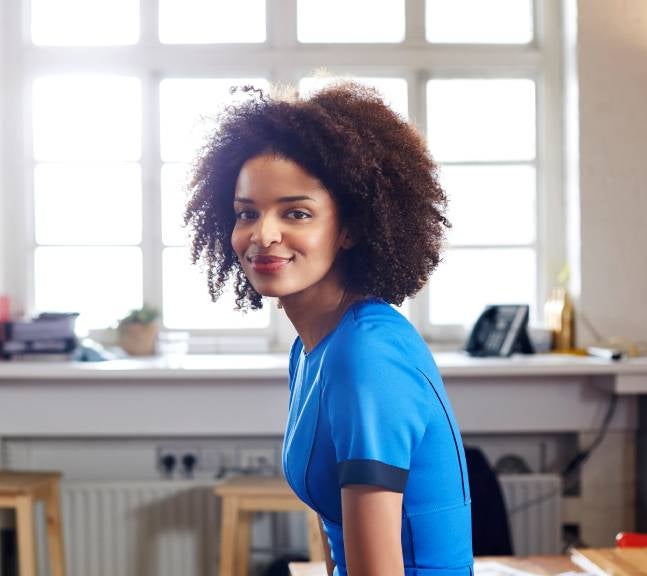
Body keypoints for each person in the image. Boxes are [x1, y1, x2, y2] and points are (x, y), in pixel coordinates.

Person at [184, 82, 473, 576]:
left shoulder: (367, 355)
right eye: (246, 213)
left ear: (350, 227)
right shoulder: (314, 347)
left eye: (296, 213)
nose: (263, 234)